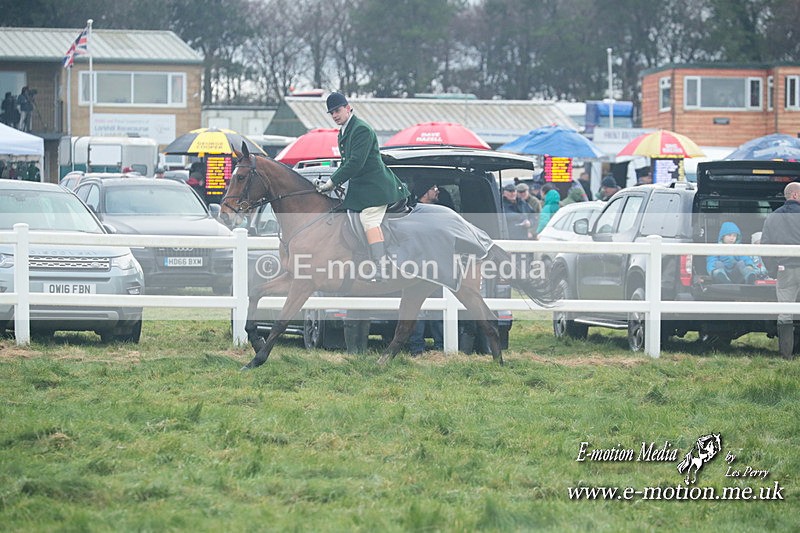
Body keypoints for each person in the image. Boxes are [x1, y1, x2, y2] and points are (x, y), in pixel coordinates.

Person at [316, 92, 409, 280]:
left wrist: (332, 182)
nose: (334, 115)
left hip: (376, 189)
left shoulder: (361, 129)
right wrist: (333, 183)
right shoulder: (343, 132)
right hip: (361, 189)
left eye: (337, 110)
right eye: (331, 113)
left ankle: (381, 267)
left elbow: (355, 163)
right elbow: (345, 163)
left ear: (348, 108)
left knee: (369, 220)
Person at [761, 181, 800, 359]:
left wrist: (772, 270)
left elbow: (765, 246)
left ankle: (786, 355)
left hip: (785, 270)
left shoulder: (772, 217)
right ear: (795, 195)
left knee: (785, 313)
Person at [407, 180, 445, 356]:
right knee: (418, 309)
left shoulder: (436, 212)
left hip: (435, 266)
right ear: (425, 192)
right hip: (418, 266)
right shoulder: (413, 212)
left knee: (438, 308)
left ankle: (439, 347)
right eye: (433, 188)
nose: (437, 190)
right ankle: (417, 348)